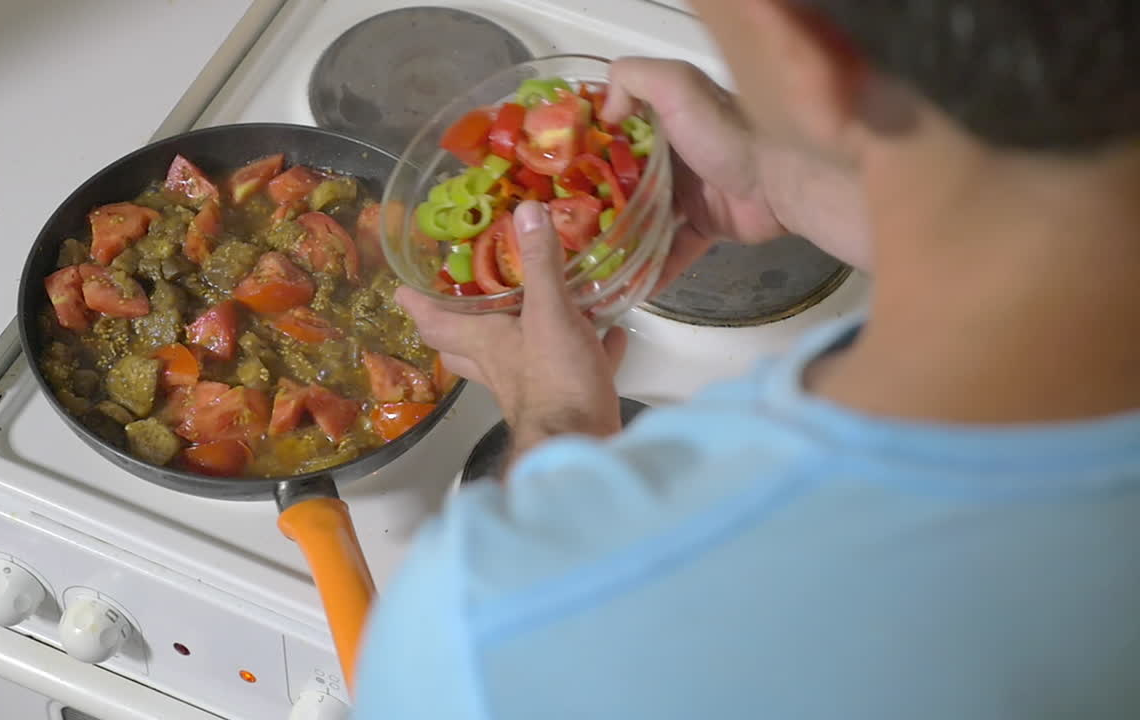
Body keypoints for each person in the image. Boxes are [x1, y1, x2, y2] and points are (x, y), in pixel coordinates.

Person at [352, 1, 1140, 717]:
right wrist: (794, 179)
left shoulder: (495, 629)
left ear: (807, 47)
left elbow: (554, 621)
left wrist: (555, 428)